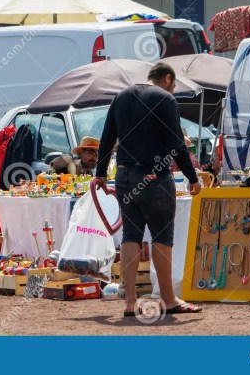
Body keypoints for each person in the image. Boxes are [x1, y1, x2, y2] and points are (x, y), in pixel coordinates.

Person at [95, 62, 202, 317]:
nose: (173, 91)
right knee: (162, 237)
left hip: (124, 177)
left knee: (131, 235)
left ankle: (130, 301)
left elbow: (107, 138)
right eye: (174, 86)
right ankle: (168, 298)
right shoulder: (165, 99)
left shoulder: (120, 97)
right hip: (155, 178)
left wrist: (99, 173)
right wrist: (192, 178)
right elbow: (176, 143)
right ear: (168, 79)